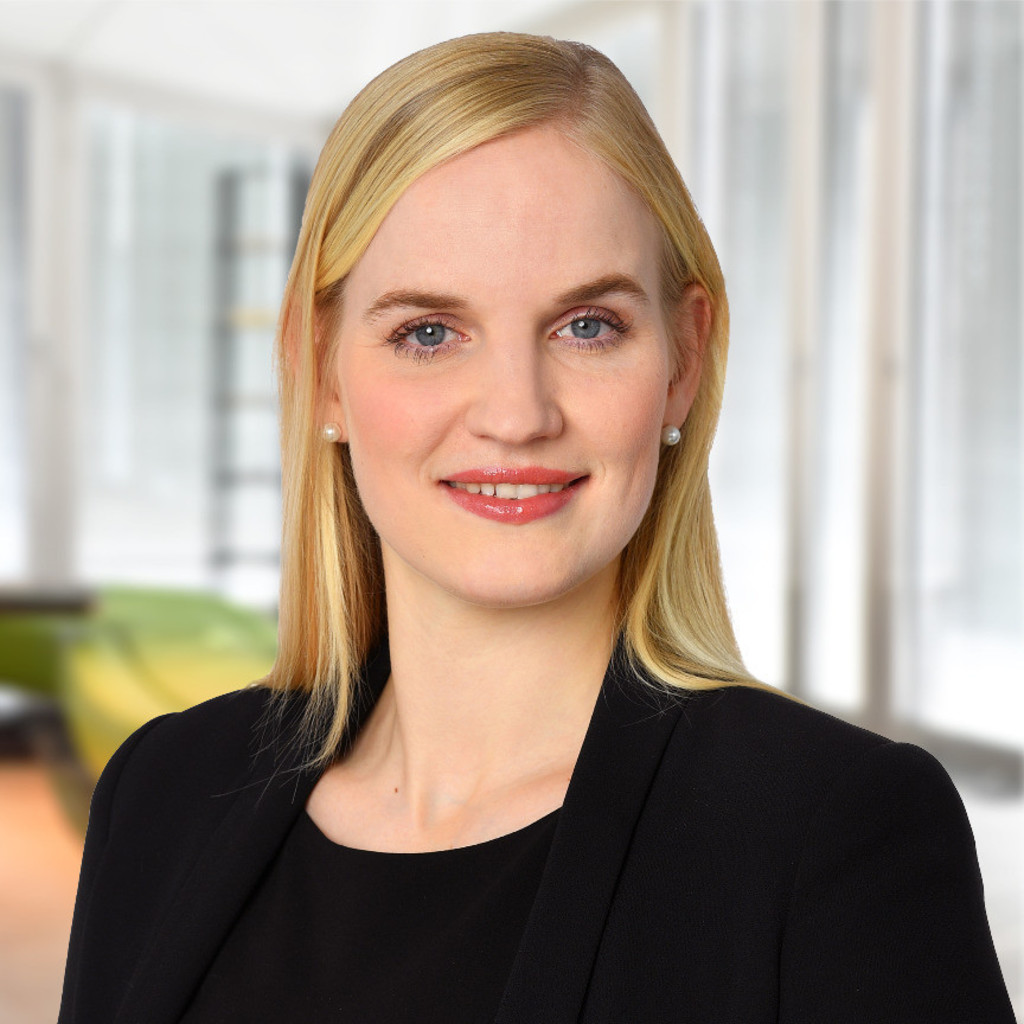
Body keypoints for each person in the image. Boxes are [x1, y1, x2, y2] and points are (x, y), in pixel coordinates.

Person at [59, 32, 1015, 1024]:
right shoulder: (162, 793)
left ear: (683, 360)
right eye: (429, 332)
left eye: (586, 326)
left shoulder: (834, 832)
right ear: (320, 370)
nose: (516, 415)